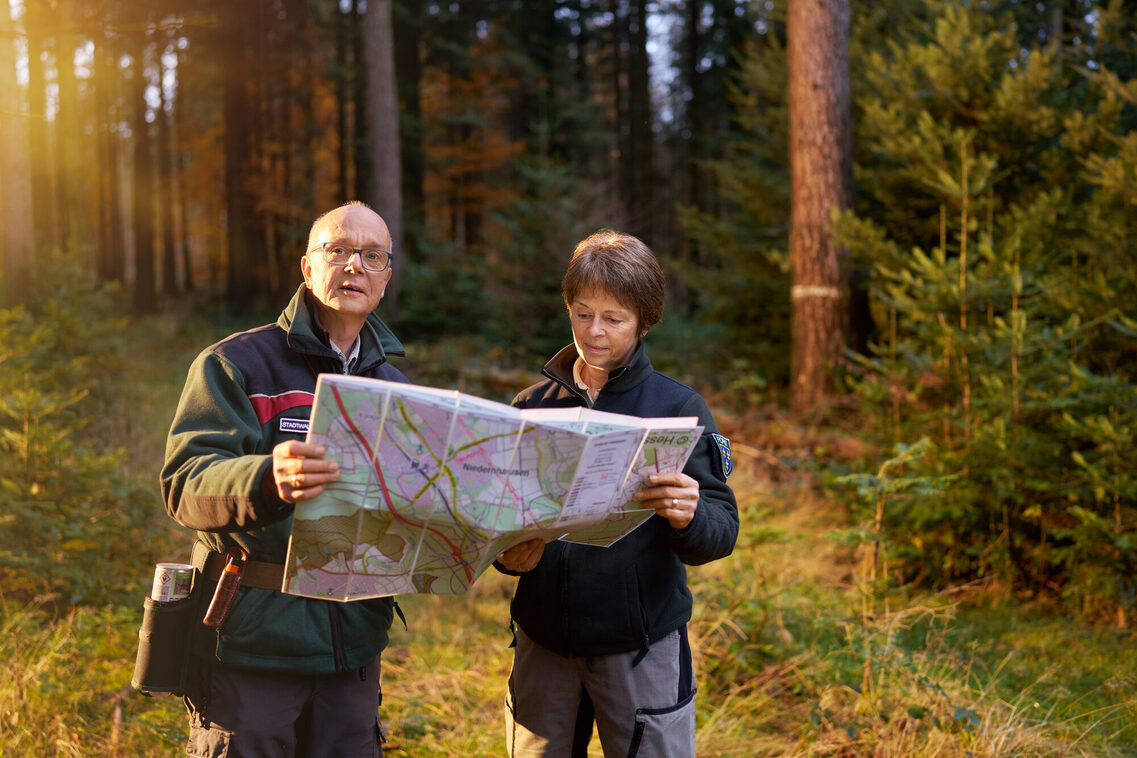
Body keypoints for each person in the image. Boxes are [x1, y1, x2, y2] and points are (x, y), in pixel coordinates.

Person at [161, 201, 407, 757]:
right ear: (306, 266)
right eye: (338, 251)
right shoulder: (235, 364)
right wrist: (268, 478)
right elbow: (184, 483)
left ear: (386, 278)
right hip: (252, 643)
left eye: (372, 256)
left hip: (353, 645)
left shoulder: (395, 386)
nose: (354, 267)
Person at [496, 229, 739, 757]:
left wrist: (689, 517)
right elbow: (499, 524)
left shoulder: (678, 409)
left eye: (614, 318)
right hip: (542, 645)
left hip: (640, 651)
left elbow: (721, 530)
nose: (594, 332)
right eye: (583, 313)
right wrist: (508, 555)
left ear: (645, 322)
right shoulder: (530, 406)